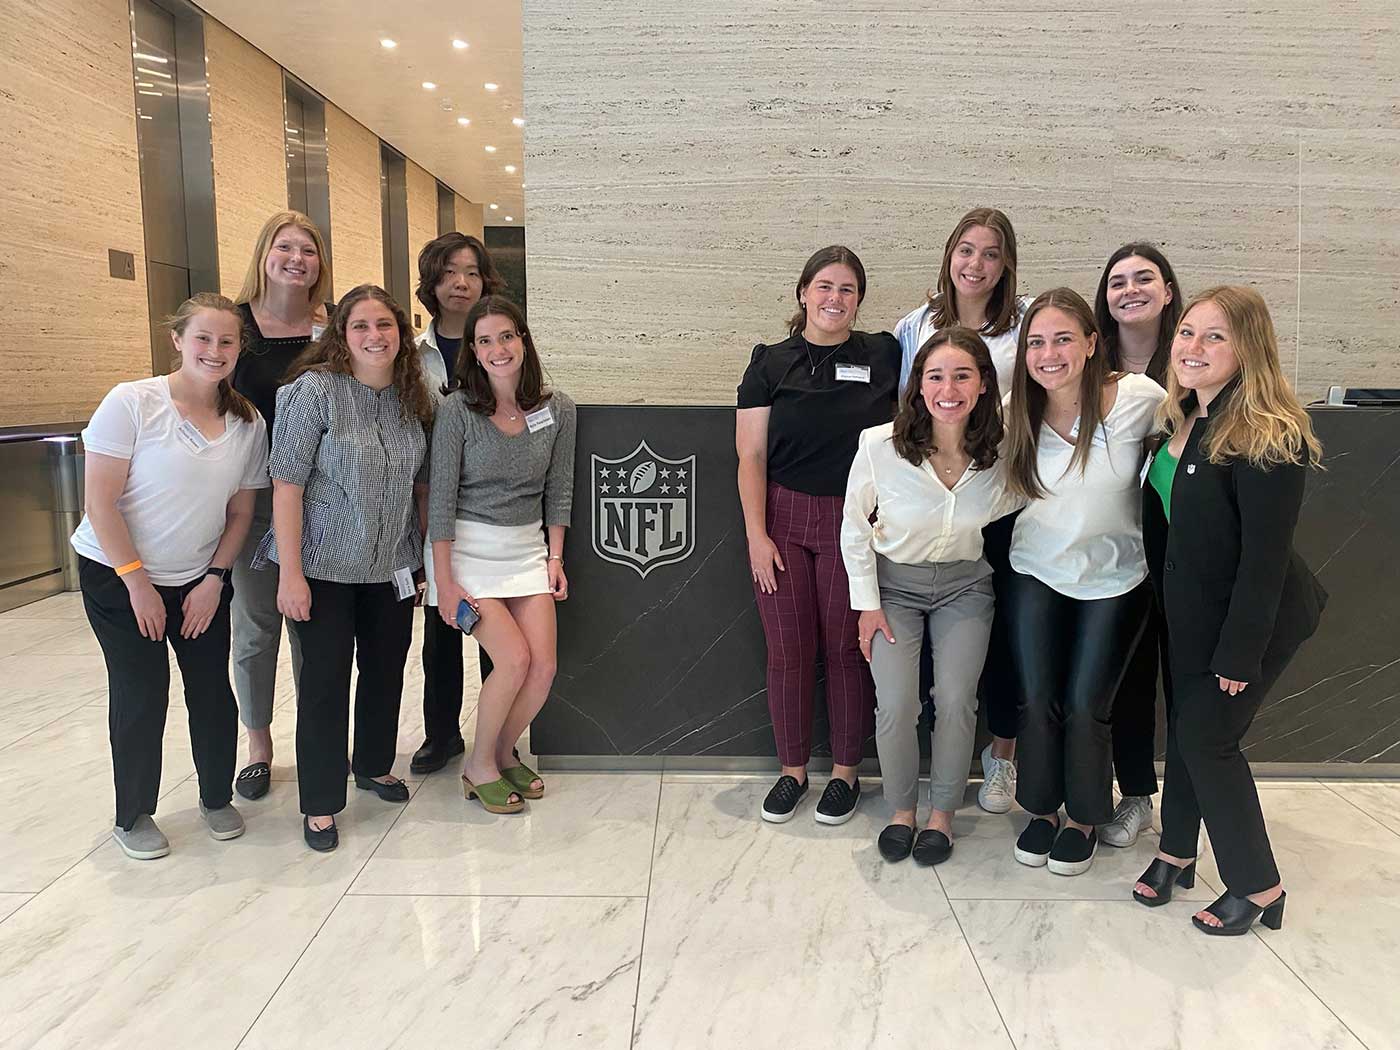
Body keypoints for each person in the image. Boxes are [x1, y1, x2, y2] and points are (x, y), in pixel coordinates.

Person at [1132, 286, 1325, 935]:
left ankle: (1258, 886)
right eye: (1187, 333)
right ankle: (1177, 854)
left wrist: (1241, 650)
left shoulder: (1269, 434)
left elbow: (1265, 559)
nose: (1194, 347)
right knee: (1188, 730)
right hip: (1189, 611)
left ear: (1248, 349)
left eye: (1215, 336)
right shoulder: (1178, 420)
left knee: (1209, 738)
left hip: (1252, 618)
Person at [71, 293, 269, 859]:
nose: (214, 350)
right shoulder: (132, 402)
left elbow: (240, 513)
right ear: (178, 340)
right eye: (202, 338)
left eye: (226, 341)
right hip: (118, 574)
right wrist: (138, 585)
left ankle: (214, 796)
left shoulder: (246, 421)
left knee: (211, 691)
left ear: (239, 350)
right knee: (141, 691)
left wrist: (213, 579)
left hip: (200, 577)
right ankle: (132, 815)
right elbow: (101, 505)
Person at [259, 285, 434, 852]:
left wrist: (425, 553)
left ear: (401, 333)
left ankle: (374, 765)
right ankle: (319, 801)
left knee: (386, 670)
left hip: (392, 567)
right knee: (324, 684)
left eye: (385, 325)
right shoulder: (312, 392)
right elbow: (286, 484)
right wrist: (290, 574)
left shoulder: (415, 396)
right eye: (360, 326)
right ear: (341, 333)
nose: (374, 336)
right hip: (323, 569)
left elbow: (421, 486)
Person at [1001, 288, 1165, 876]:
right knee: (1039, 698)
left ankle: (1084, 818)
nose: (1049, 353)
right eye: (1037, 342)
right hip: (1037, 571)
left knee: (1086, 703)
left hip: (1117, 577)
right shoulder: (1013, 413)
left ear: (1093, 343)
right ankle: (1043, 811)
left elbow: (1192, 432)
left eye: (1063, 338)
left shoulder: (1139, 399)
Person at [842, 327, 1018, 866]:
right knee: (896, 703)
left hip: (966, 586)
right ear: (918, 386)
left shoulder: (1002, 449)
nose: (949, 388)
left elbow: (1029, 497)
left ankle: (942, 813)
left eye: (963, 375)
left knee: (956, 699)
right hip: (893, 587)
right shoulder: (880, 445)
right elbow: (853, 527)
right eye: (935, 376)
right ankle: (902, 811)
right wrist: (867, 604)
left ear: (984, 384)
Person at [736, 245, 900, 825]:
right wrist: (756, 535)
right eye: (825, 286)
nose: (835, 298)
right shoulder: (768, 363)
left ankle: (846, 773)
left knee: (847, 650)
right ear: (803, 293)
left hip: (852, 523)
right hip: (781, 520)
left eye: (848, 289)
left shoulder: (884, 354)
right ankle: (792, 770)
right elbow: (751, 454)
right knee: (787, 651)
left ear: (859, 300)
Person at [892, 207, 1031, 812]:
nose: (977, 264)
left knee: (1003, 631)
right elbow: (904, 409)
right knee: (929, 653)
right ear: (949, 256)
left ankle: (1001, 755)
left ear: (1007, 265)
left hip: (1001, 493)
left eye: (992, 253)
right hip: (934, 497)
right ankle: (924, 769)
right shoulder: (915, 324)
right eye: (966, 250)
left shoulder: (1024, 324)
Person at [429, 296, 575, 814]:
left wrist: (555, 558)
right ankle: (478, 766)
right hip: (470, 556)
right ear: (473, 350)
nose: (498, 349)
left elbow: (558, 491)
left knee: (543, 667)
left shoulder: (557, 410)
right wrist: (445, 582)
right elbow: (441, 498)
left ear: (523, 340)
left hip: (528, 552)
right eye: (485, 340)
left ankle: (501, 751)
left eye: (506, 336)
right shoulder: (456, 410)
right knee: (512, 660)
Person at [229, 210, 332, 802]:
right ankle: (259, 744)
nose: (297, 258)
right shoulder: (234, 326)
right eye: (285, 246)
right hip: (257, 498)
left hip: (324, 501)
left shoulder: (335, 328)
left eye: (308, 250)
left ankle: (316, 738)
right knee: (258, 622)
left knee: (312, 624)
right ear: (264, 254)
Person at [1092, 243, 1185, 846]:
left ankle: (1182, 804)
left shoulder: (1190, 361)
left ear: (1168, 290)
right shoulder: (1086, 365)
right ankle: (1129, 793)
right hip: (1111, 553)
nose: (1130, 290)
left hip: (1180, 550)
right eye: (1118, 281)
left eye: (1144, 278)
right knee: (1121, 678)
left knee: (1181, 680)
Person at [410, 232, 508, 776]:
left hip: (492, 508)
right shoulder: (411, 353)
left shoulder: (502, 343)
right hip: (431, 505)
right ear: (432, 283)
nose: (461, 283)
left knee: (498, 629)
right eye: (449, 272)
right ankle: (441, 734)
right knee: (442, 628)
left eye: (471, 272)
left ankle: (499, 737)